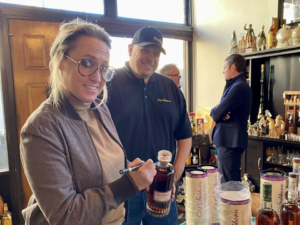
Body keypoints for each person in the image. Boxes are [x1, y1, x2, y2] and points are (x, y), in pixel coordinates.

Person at [20, 19, 157, 225]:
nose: (97, 78)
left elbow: (103, 167)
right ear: (60, 61)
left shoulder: (99, 108)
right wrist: (129, 184)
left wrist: (130, 169)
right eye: (86, 63)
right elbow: (65, 216)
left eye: (103, 68)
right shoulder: (41, 128)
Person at [106, 26, 192, 225]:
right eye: (145, 50)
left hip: (162, 187)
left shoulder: (170, 87)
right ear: (130, 49)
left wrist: (175, 175)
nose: (150, 57)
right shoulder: (109, 84)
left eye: (156, 53)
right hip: (124, 188)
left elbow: (184, 135)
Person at [210, 54, 252, 183]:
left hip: (231, 141)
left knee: (229, 182)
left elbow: (217, 114)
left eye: (224, 68)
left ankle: (230, 204)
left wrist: (216, 110)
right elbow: (219, 112)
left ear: (233, 68)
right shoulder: (234, 85)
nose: (223, 71)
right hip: (227, 140)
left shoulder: (239, 86)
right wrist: (218, 110)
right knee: (226, 180)